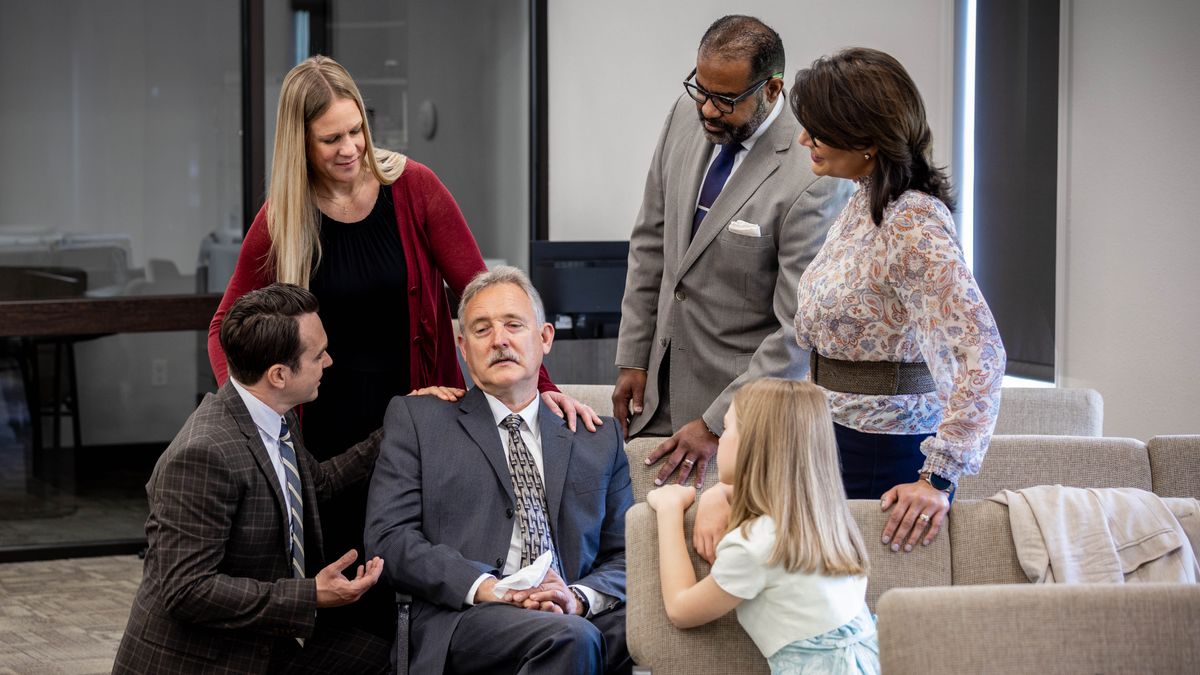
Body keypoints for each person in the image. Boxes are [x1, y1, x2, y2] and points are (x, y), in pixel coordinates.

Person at [206, 56, 598, 629]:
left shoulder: (414, 189)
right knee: (343, 596)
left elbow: (481, 296)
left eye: (357, 130)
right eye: (331, 138)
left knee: (414, 580)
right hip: (324, 435)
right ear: (300, 144)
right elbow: (224, 326)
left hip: (417, 422)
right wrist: (246, 418)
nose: (350, 148)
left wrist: (542, 387)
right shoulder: (282, 218)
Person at [614, 15, 853, 489]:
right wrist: (634, 357)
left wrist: (717, 423)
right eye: (699, 89)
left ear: (770, 89)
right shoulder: (684, 118)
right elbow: (650, 245)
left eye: (724, 100)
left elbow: (795, 332)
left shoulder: (814, 177)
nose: (706, 109)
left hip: (739, 425)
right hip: (655, 401)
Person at [365, 266, 633, 674]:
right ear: (463, 346)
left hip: (573, 611)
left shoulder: (597, 437)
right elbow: (389, 539)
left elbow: (628, 553)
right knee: (571, 638)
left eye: (513, 324)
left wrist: (575, 598)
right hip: (466, 615)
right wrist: (491, 588)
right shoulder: (419, 420)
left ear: (545, 338)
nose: (500, 340)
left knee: (630, 629)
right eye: (482, 329)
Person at [113, 284, 389, 674]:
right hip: (205, 658)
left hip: (266, 636)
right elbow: (188, 591)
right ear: (278, 374)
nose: (328, 361)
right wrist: (310, 595)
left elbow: (318, 483)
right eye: (317, 354)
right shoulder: (203, 455)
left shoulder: (275, 414)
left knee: (382, 658)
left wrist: (396, 428)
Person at [647, 378, 878, 675]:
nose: (720, 438)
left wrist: (669, 509)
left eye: (727, 428)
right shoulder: (825, 517)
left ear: (752, 444)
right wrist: (718, 492)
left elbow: (681, 609)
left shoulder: (755, 545)